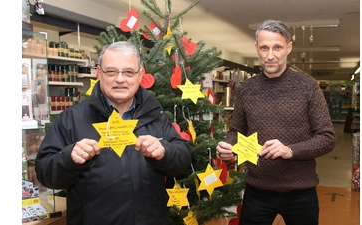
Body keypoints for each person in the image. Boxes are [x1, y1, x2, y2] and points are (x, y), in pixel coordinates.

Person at [35, 41, 192, 225]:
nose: (120, 79)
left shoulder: (155, 115)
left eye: (128, 72)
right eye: (111, 71)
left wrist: (165, 151)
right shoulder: (71, 119)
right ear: (99, 73)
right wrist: (69, 158)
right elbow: (44, 172)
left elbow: (182, 159)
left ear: (140, 74)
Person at [216, 19, 336, 225]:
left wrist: (289, 150)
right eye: (264, 48)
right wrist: (228, 145)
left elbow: (327, 138)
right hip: (257, 191)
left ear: (288, 48)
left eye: (277, 47)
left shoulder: (308, 86)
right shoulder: (246, 89)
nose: (270, 55)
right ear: (257, 48)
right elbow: (236, 130)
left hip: (301, 192)